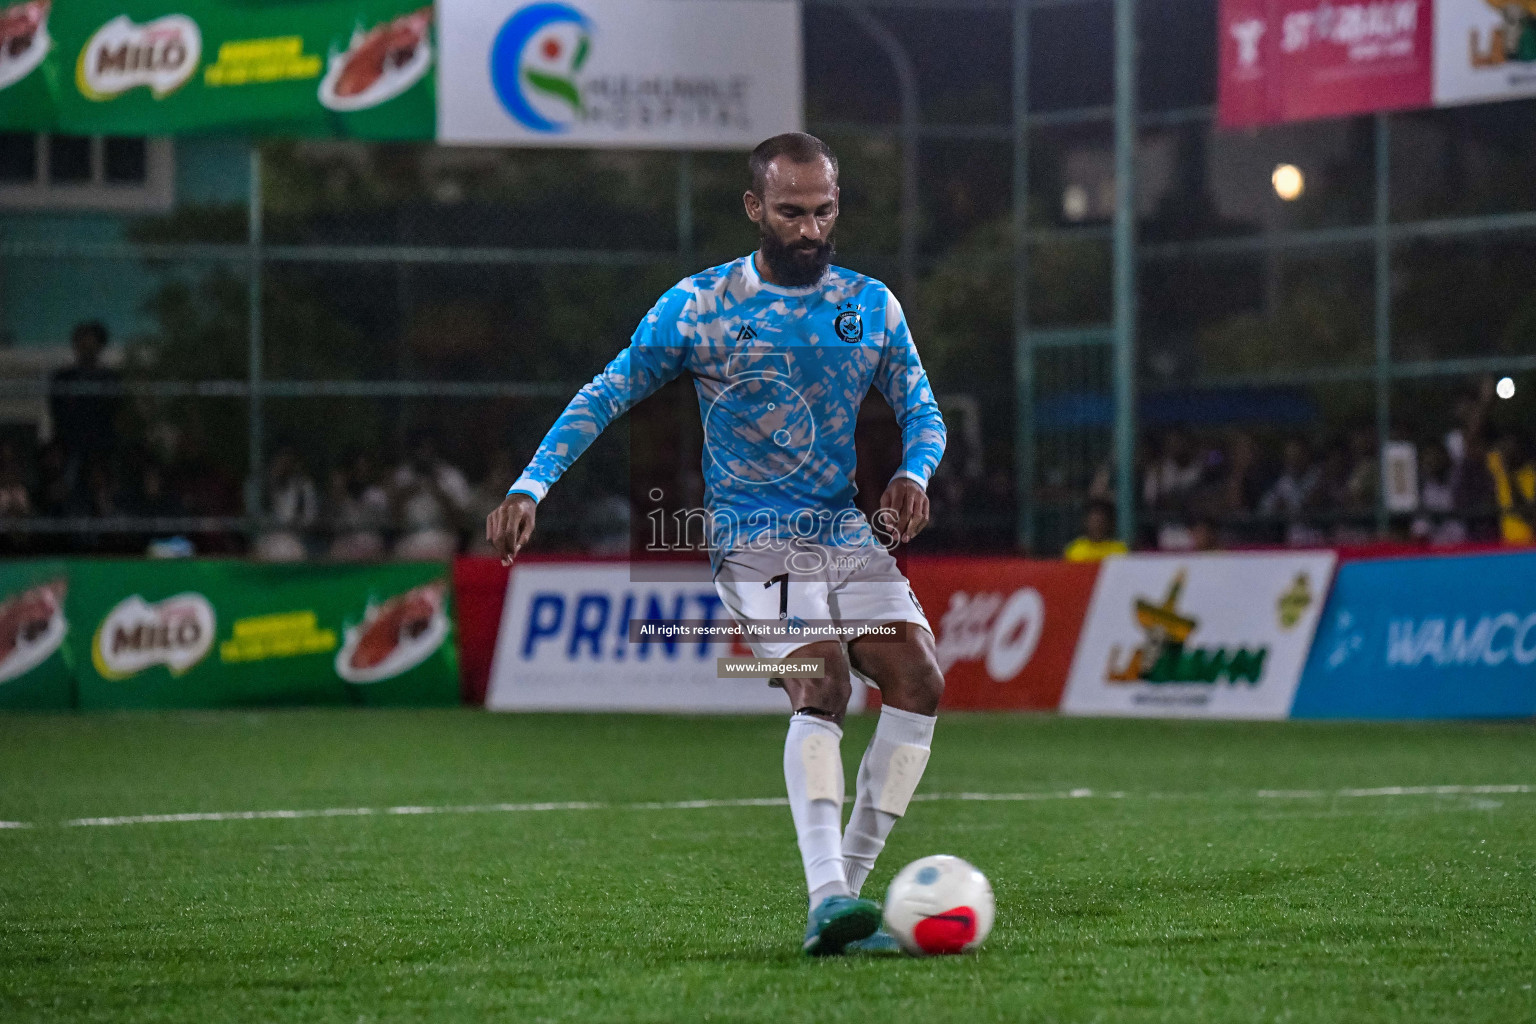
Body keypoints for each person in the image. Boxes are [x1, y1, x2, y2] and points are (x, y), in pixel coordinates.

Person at [486, 133, 948, 957]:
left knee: (918, 680)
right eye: (791, 213)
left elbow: (923, 410)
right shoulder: (699, 307)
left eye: (825, 211)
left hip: (838, 527)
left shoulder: (870, 304)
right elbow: (608, 391)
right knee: (824, 679)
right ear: (754, 209)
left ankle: (844, 891)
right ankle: (829, 898)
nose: (810, 230)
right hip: (749, 535)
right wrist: (532, 484)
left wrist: (914, 473)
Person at [49, 321, 122, 469]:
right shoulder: (63, 378)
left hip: (103, 448)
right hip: (71, 447)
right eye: (82, 344)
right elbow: (56, 411)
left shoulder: (110, 378)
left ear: (100, 346)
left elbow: (116, 411)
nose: (86, 349)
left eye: (91, 344)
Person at [391, 431, 472, 560]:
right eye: (420, 448)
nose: (424, 453)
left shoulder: (452, 476)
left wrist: (437, 491)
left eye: (428, 448)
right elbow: (392, 518)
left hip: (442, 536)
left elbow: (463, 521)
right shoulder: (402, 476)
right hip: (409, 537)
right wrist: (407, 493)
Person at [1064, 499, 1129, 562]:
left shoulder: (1120, 550)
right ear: (1086, 522)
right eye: (1094, 522)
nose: (1097, 526)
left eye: (1101, 522)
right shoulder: (1074, 550)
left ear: (1109, 523)